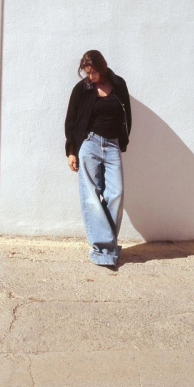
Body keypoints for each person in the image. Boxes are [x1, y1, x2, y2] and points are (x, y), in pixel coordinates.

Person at [64, 50, 132, 268]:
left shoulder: (119, 85)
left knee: (116, 193)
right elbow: (72, 121)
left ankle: (107, 246)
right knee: (92, 196)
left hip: (111, 145)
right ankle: (103, 249)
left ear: (102, 68)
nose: (89, 76)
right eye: (86, 72)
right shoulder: (82, 89)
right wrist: (71, 151)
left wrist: (123, 140)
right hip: (89, 144)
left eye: (92, 72)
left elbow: (126, 114)